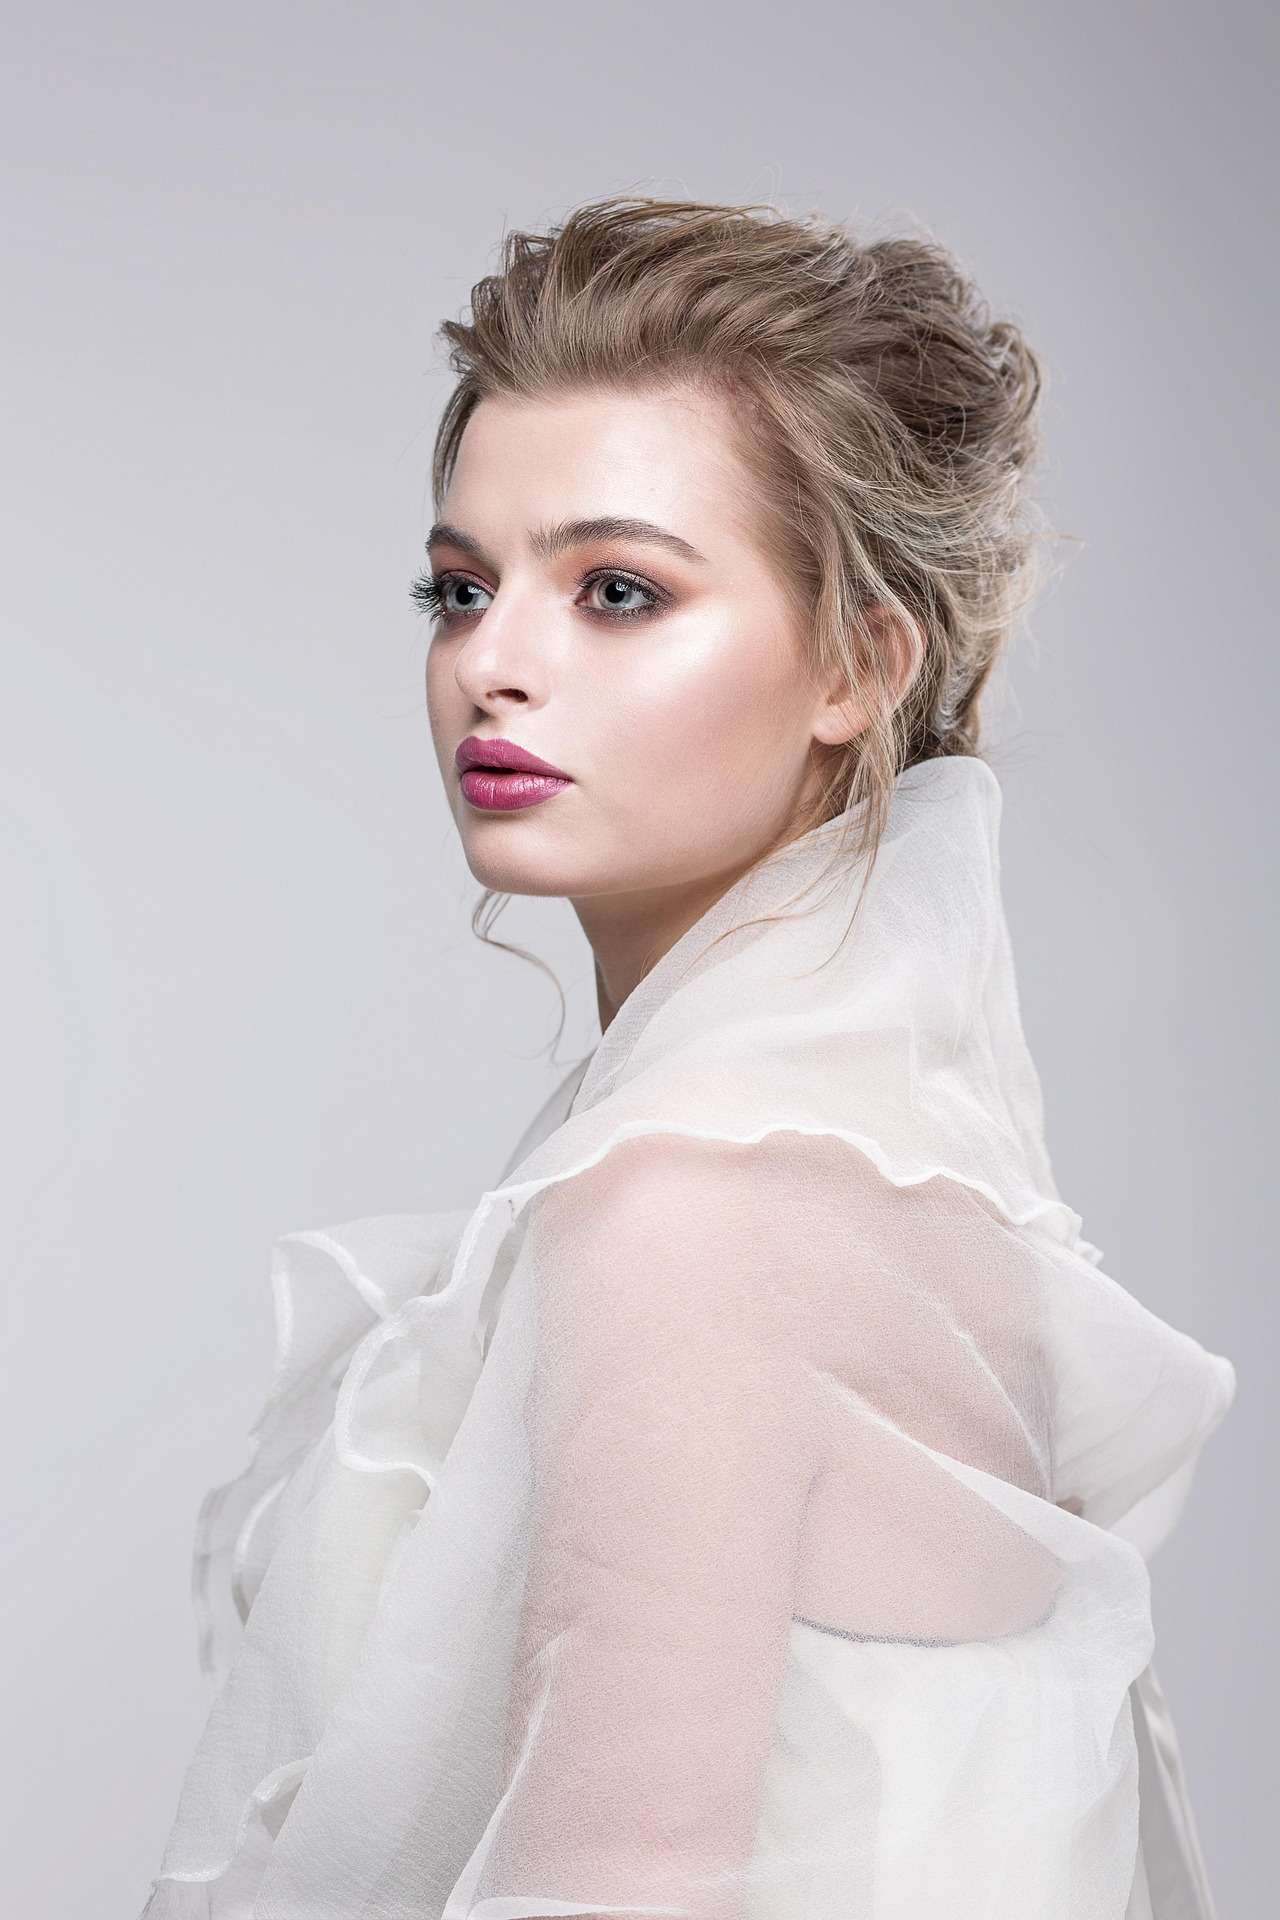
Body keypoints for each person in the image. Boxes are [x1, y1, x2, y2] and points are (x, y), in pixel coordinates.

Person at [141, 195, 1236, 1920]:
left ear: (859, 663)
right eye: (459, 588)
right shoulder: (873, 1161)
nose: (493, 664)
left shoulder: (688, 1218)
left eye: (618, 591)